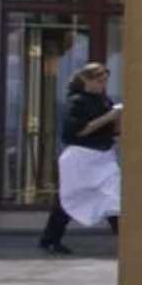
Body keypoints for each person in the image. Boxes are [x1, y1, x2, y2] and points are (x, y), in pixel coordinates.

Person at [42, 61, 122, 254]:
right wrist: (109, 117)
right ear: (86, 80)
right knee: (70, 197)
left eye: (105, 80)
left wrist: (118, 118)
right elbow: (77, 132)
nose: (103, 84)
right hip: (81, 156)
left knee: (114, 196)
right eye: (99, 80)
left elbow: (112, 131)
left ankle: (124, 242)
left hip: (103, 155)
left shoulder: (104, 101)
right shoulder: (77, 101)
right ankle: (50, 239)